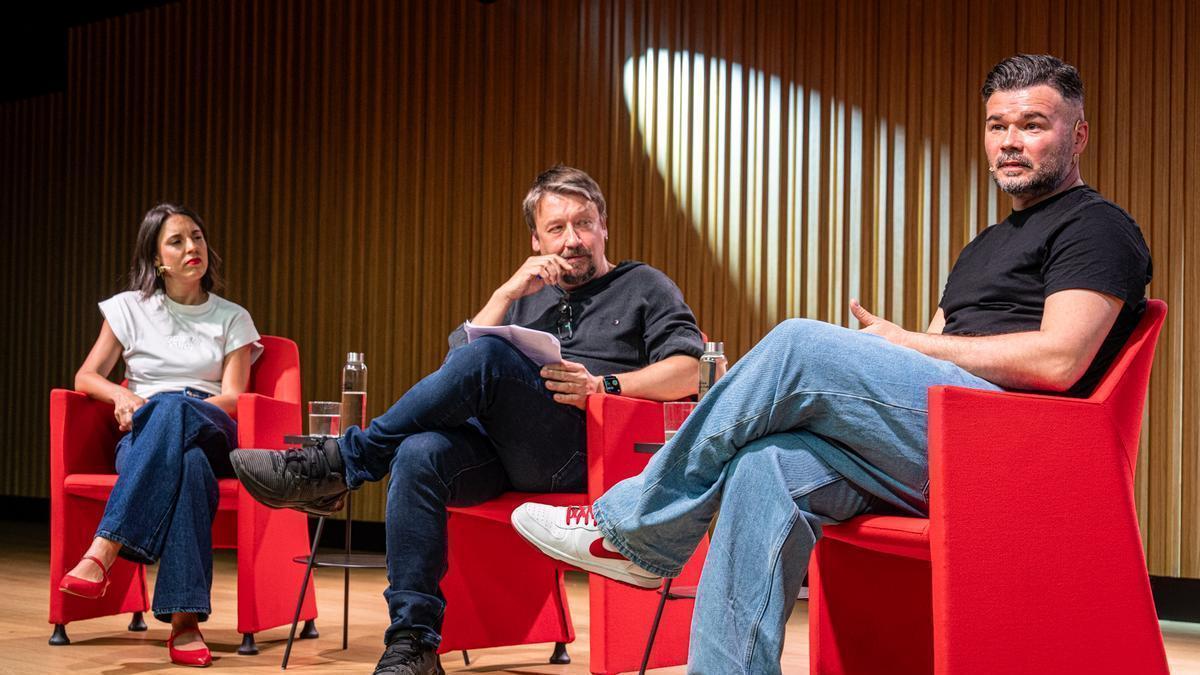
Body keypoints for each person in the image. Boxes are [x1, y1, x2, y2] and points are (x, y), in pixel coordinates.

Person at [511, 54, 1153, 673]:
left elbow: (1059, 360)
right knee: (766, 466)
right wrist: (894, 350)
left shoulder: (1095, 226)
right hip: (941, 443)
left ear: (1079, 136)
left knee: (798, 344)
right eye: (997, 126)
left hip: (1018, 457)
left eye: (1033, 125)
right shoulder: (983, 247)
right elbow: (930, 360)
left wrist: (904, 345)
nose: (1010, 142)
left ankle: (635, 530)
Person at [230, 165, 704, 675]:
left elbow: (691, 371)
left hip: (587, 452)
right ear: (536, 239)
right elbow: (456, 369)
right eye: (557, 228)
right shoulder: (528, 295)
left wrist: (603, 386)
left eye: (583, 223)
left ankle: (343, 464)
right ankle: (413, 643)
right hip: (506, 453)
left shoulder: (643, 284)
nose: (573, 240)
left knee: (488, 362)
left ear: (604, 224)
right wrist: (504, 294)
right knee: (419, 454)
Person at [60, 203, 263, 668]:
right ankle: (185, 623)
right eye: (177, 241)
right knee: (187, 468)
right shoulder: (128, 308)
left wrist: (174, 408)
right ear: (157, 260)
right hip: (145, 428)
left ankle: (104, 548)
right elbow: (86, 376)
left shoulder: (232, 317)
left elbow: (233, 397)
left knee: (173, 410)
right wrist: (120, 397)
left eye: (197, 236)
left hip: (212, 424)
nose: (193, 247)